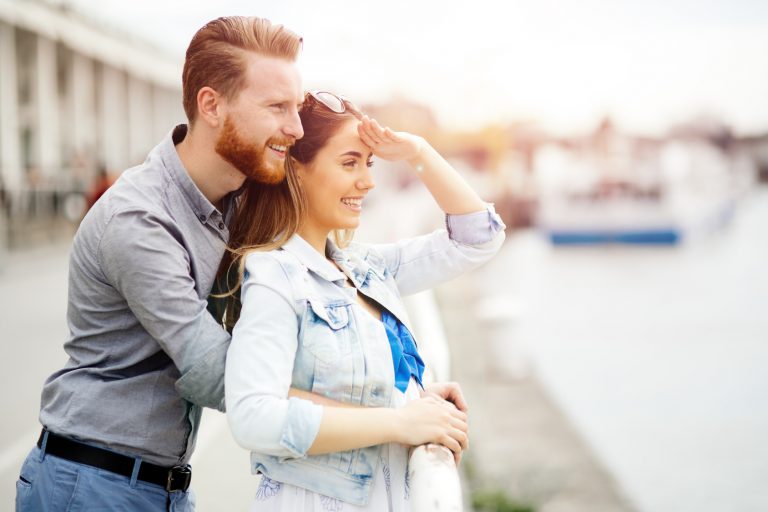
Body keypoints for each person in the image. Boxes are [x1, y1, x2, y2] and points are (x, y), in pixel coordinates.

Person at [15, 16, 305, 511]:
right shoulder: (139, 220)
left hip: (160, 486)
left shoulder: (238, 195)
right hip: (92, 486)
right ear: (210, 105)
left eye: (295, 107)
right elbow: (218, 374)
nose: (294, 128)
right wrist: (378, 410)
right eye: (277, 107)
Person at [223, 91, 506, 510]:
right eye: (349, 162)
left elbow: (479, 237)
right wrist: (401, 420)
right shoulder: (276, 276)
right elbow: (254, 418)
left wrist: (418, 151)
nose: (368, 181)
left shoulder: (366, 268)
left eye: (369, 163)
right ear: (296, 172)